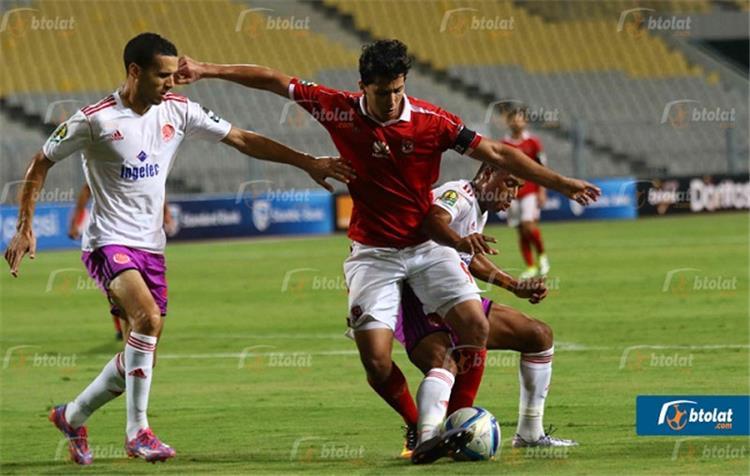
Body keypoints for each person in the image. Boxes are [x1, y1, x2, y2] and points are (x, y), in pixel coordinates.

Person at [176, 38, 599, 464]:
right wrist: (206, 69)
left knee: (476, 325)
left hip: (427, 247)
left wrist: (562, 184)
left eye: (399, 89)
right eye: (383, 92)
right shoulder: (336, 107)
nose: (393, 100)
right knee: (376, 363)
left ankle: (452, 427)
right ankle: (422, 429)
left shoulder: (434, 121)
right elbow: (273, 79)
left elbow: (496, 151)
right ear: (363, 86)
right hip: (373, 253)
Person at [4, 32, 352, 465]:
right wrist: (24, 227)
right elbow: (40, 161)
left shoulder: (180, 110)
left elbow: (242, 139)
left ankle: (72, 416)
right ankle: (138, 433)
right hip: (108, 241)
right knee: (146, 319)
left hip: (152, 246)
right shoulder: (94, 120)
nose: (172, 83)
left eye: (173, 75)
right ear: (135, 72)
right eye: (162, 75)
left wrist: (308, 161)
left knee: (141, 341)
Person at [385, 164, 576, 459]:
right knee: (444, 360)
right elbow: (434, 220)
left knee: (538, 335)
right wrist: (460, 241)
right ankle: (429, 438)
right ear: (487, 176)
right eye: (509, 183)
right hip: (415, 296)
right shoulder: (457, 195)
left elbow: (466, 256)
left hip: (451, 292)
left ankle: (530, 434)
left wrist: (513, 285)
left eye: (517, 188)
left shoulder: (478, 209)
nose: (512, 195)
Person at [68, 183, 177, 340]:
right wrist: (76, 220)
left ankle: (129, 345)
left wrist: (165, 213)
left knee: (151, 322)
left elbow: (157, 184)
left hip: (145, 240)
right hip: (112, 236)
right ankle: (123, 329)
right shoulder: (107, 163)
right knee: (124, 288)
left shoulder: (150, 165)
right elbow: (87, 188)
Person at [502, 106, 549, 278]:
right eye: (514, 118)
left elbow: (542, 167)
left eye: (520, 118)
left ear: (525, 121)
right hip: (511, 191)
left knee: (529, 224)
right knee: (520, 229)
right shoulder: (504, 144)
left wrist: (542, 190)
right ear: (509, 122)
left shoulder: (533, 143)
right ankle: (530, 266)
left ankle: (542, 256)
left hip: (530, 189)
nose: (517, 121)